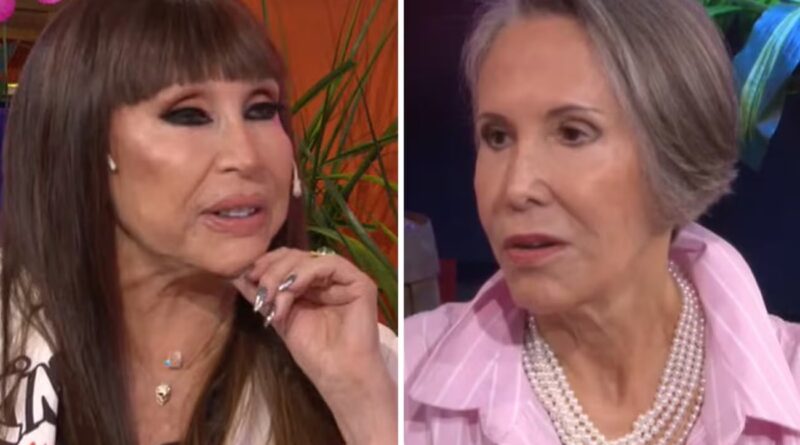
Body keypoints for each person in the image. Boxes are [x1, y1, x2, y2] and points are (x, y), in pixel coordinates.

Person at [0, 0, 397, 444]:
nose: (246, 156)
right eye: (188, 115)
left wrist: (362, 402)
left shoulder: (368, 361)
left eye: (261, 109)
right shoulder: (11, 330)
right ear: (84, 143)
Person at [405, 0, 800, 443]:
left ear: (675, 152)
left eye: (573, 133)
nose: (516, 188)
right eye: (497, 137)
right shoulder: (403, 375)